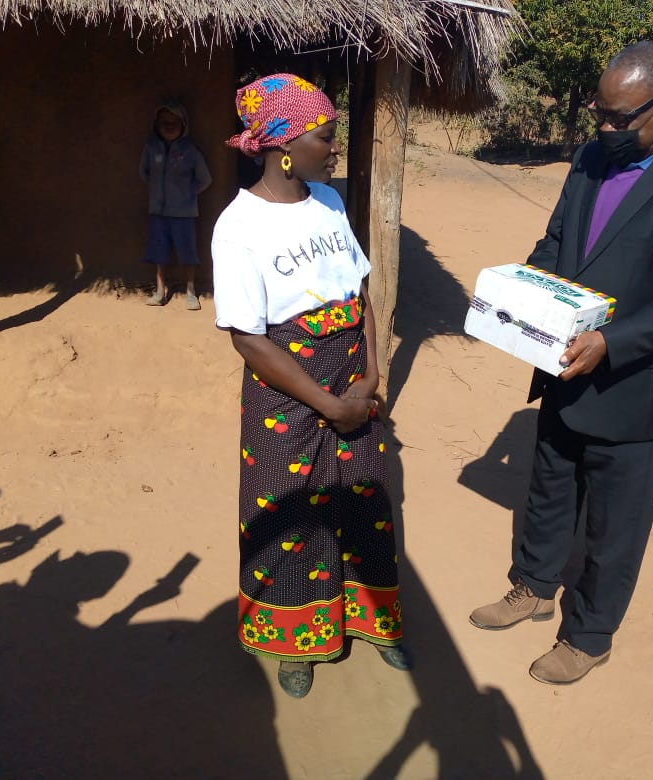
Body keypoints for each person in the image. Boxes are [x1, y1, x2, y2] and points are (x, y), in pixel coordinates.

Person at [469, 41, 653, 685]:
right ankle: (534, 586)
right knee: (549, 488)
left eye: (623, 118)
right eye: (601, 113)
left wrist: (610, 342)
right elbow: (557, 241)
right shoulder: (591, 158)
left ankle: (589, 635)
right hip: (562, 362)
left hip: (633, 385)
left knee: (615, 524)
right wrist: (524, 292)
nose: (606, 128)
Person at [212, 73, 408, 698]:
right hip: (288, 398)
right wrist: (326, 403)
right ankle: (295, 643)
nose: (334, 147)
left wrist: (371, 375)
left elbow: (360, 294)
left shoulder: (328, 202)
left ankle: (372, 621)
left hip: (352, 383)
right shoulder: (238, 226)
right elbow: (249, 339)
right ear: (283, 146)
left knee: (364, 504)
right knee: (290, 514)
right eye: (325, 136)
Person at [139, 101, 212, 310]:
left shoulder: (190, 151)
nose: (169, 126)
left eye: (175, 122)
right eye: (165, 122)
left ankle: (191, 292)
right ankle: (160, 291)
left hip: (184, 213)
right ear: (157, 125)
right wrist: (157, 191)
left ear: (184, 125)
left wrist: (188, 195)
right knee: (159, 252)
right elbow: (143, 172)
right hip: (158, 211)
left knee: (187, 252)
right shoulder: (151, 148)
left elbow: (205, 179)